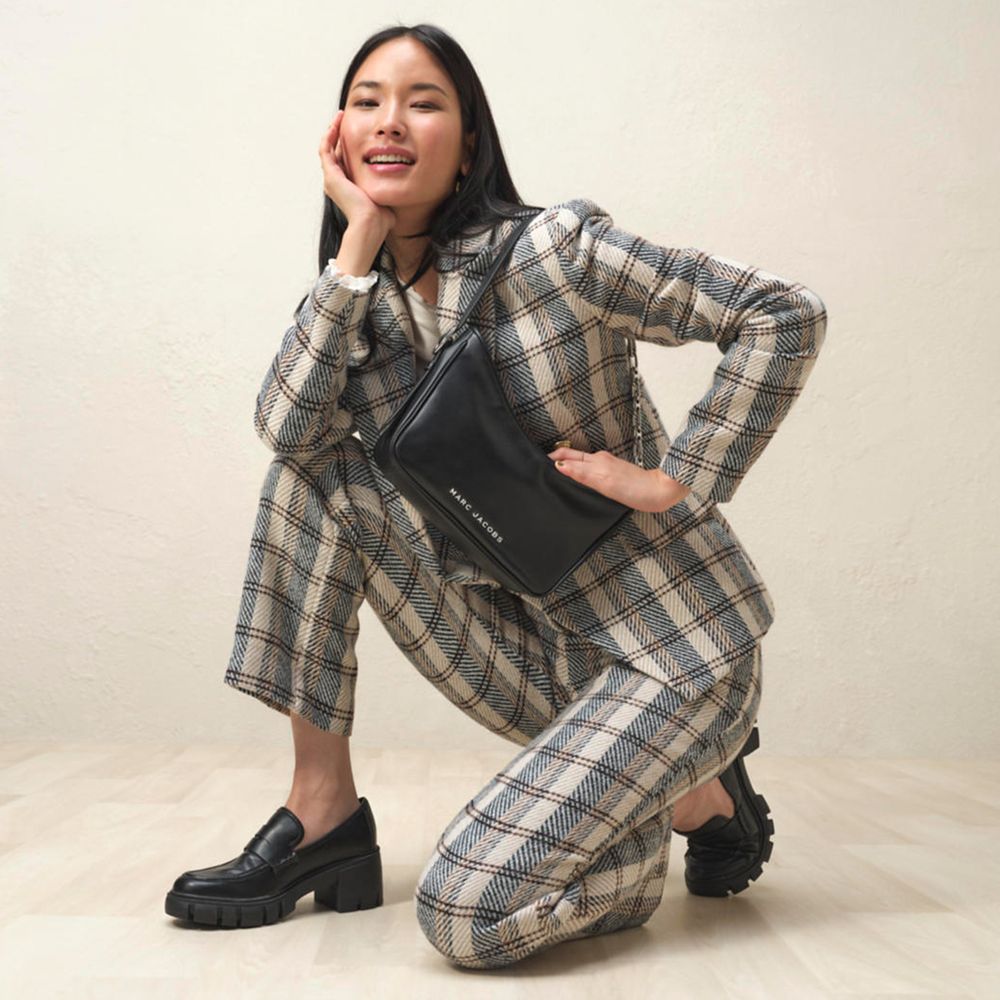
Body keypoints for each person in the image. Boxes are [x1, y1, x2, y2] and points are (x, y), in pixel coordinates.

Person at [164, 23, 826, 969]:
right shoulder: (361, 304)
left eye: (423, 102)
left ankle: (675, 799)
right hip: (527, 651)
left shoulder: (556, 250)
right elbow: (287, 428)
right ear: (339, 138)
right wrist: (356, 248)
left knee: (463, 916)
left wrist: (678, 478)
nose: (390, 122)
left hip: (669, 649)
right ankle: (323, 810)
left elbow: (781, 312)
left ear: (469, 139)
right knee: (314, 473)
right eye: (367, 102)